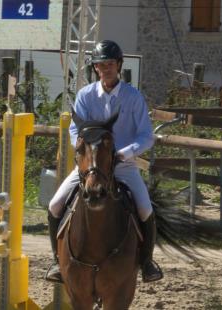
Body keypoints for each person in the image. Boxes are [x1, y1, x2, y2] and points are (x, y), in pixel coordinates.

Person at [45, 40, 163, 283]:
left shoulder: (133, 97)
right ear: (95, 68)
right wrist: (85, 154)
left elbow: (146, 136)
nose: (105, 69)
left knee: (144, 208)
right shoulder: (85, 96)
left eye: (109, 64)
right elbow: (75, 132)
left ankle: (147, 262)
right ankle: (57, 262)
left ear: (118, 65)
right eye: (100, 65)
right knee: (55, 205)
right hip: (89, 168)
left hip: (123, 166)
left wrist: (125, 153)